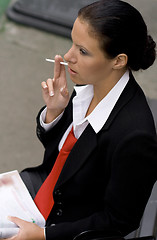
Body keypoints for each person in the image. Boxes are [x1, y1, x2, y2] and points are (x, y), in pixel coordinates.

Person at [3, 0, 157, 240]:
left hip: (66, 226)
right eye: (72, 43)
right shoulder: (88, 83)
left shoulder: (136, 136)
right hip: (41, 191)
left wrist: (43, 235)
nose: (68, 56)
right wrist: (53, 114)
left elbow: (118, 221)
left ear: (118, 60)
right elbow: (64, 157)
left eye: (83, 51)